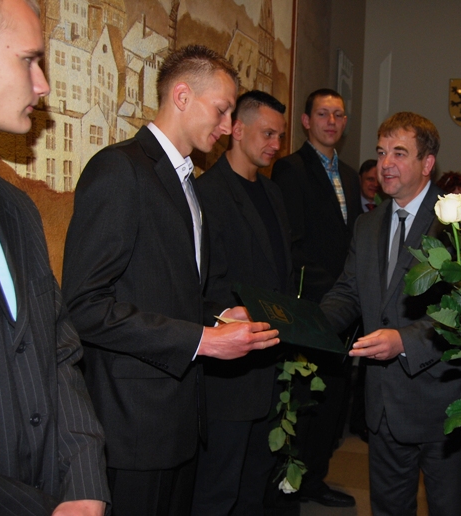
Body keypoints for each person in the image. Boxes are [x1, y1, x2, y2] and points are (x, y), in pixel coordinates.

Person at [62, 46, 280, 516]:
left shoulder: (186, 182)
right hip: (133, 422)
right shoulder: (119, 169)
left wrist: (220, 315)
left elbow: (174, 293)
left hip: (180, 417)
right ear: (182, 96)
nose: (228, 126)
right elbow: (85, 306)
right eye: (221, 110)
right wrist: (203, 340)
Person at [0, 0, 109, 514]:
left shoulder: (15, 207)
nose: (43, 84)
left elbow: (57, 351)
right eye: (28, 60)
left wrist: (85, 484)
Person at [322, 112, 461, 516]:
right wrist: (310, 324)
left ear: (427, 163)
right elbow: (348, 292)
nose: (386, 163)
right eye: (381, 153)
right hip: (383, 405)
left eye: (399, 153)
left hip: (444, 405)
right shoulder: (366, 225)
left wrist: (404, 341)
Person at [191, 90, 291, 516]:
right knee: (217, 492)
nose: (276, 144)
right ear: (236, 129)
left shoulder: (273, 193)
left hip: (271, 365)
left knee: (255, 487)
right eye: (268, 133)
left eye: (280, 136)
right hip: (228, 376)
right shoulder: (206, 194)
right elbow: (202, 285)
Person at [271, 88, 361, 509]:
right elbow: (291, 243)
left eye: (338, 115)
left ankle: (316, 478)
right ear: (306, 121)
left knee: (334, 398)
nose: (331, 122)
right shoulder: (290, 169)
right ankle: (293, 482)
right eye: (323, 114)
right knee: (306, 398)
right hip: (313, 303)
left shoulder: (350, 174)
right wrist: (333, 291)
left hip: (347, 306)